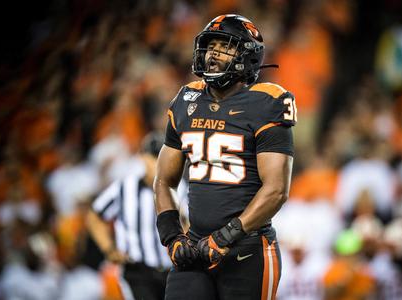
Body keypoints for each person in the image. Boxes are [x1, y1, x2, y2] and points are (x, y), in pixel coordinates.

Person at [154, 14, 297, 299]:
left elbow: (277, 190)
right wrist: (172, 236)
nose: (213, 53)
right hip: (196, 248)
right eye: (211, 46)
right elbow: (163, 180)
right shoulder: (186, 100)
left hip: (247, 250)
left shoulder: (266, 102)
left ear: (247, 55)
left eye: (225, 46)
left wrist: (227, 236)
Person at [87, 132, 181, 300]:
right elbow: (95, 216)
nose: (159, 164)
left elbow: (190, 225)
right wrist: (109, 249)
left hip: (172, 271)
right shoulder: (125, 187)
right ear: (142, 158)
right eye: (154, 158)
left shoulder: (180, 188)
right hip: (138, 271)